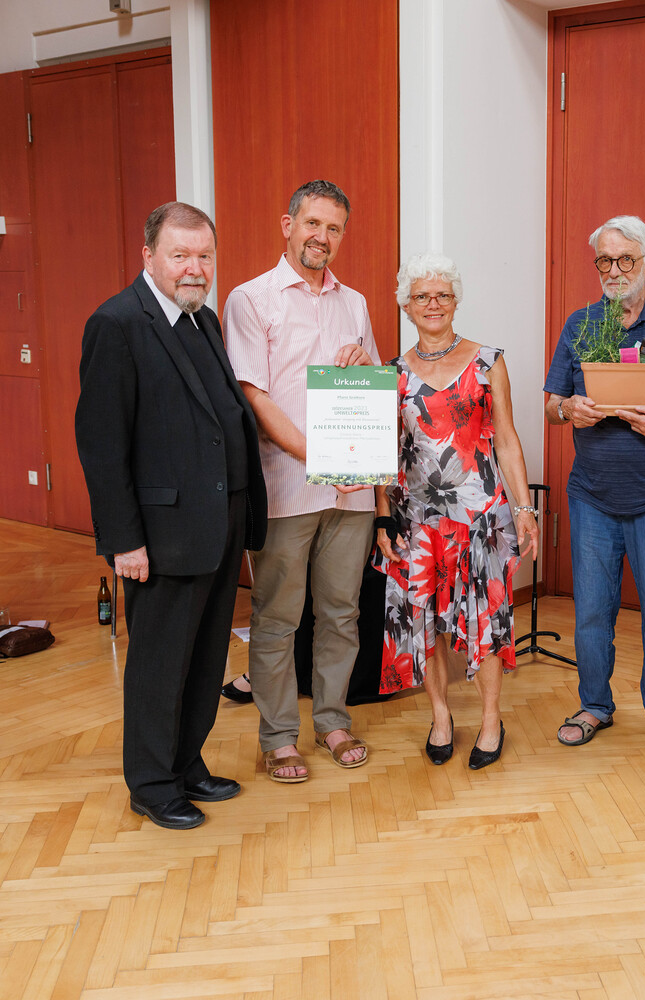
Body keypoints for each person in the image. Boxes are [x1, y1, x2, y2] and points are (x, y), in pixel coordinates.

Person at [75, 201, 268, 830]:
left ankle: (186, 764)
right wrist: (124, 541)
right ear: (149, 256)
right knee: (160, 665)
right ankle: (153, 784)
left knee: (206, 659)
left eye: (204, 255)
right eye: (180, 255)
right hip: (160, 536)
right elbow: (101, 446)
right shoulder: (116, 324)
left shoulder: (201, 318)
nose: (194, 267)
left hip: (216, 525)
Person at [221, 180, 378, 783]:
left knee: (341, 614)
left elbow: (369, 387)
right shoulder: (251, 299)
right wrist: (319, 456)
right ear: (287, 225)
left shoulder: (355, 303)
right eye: (313, 223)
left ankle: (332, 721)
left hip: (351, 490)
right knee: (277, 617)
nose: (322, 237)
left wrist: (366, 365)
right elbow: (252, 394)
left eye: (334, 228)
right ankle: (279, 736)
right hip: (286, 488)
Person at [543, 215, 645, 756]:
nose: (614, 270)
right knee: (592, 613)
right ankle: (594, 705)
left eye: (625, 259)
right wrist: (569, 409)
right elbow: (551, 405)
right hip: (592, 496)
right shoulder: (581, 323)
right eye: (605, 260)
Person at [373, 254, 539, 770]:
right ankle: (440, 716)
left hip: (481, 517)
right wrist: (382, 517)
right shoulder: (393, 374)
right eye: (421, 296)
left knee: (484, 619)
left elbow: (506, 439)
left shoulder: (488, 361)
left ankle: (490, 719)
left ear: (455, 301)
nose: (433, 304)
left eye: (442, 295)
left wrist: (524, 508)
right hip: (416, 520)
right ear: (406, 305)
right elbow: (383, 454)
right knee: (422, 621)